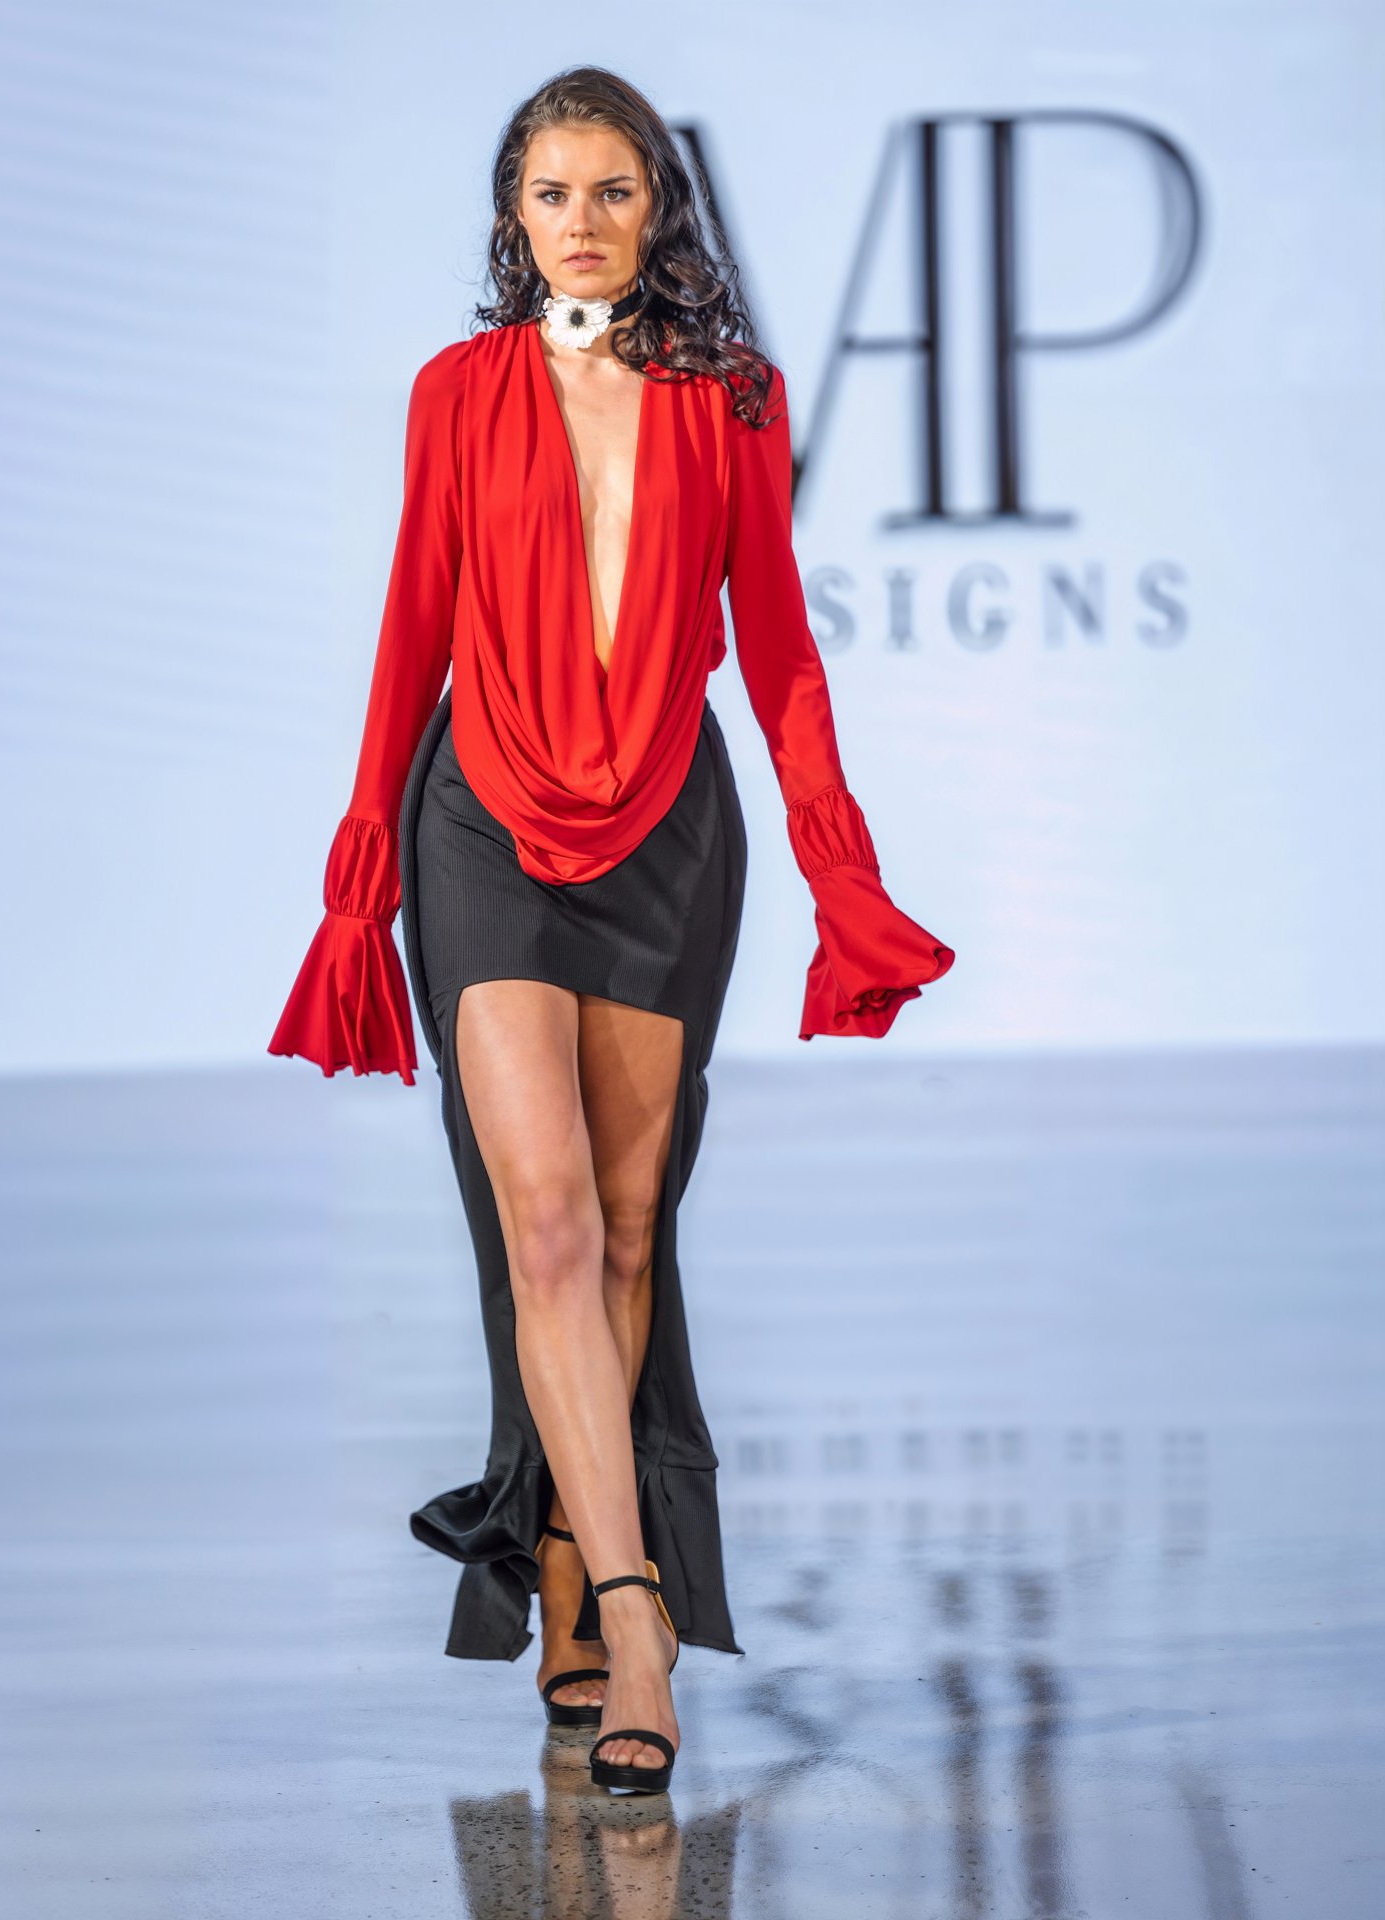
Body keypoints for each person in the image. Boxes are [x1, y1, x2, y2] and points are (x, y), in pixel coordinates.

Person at [267, 65, 955, 1795]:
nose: (583, 221)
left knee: (634, 1230)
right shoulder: (458, 391)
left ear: (661, 209)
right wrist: (360, 884)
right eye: (553, 193)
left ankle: (576, 1560)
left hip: (664, 828)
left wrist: (840, 869)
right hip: (484, 818)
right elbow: (409, 631)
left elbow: (777, 645)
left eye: (615, 191)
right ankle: (637, 1620)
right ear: (515, 214)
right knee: (552, 1221)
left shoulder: (733, 398)